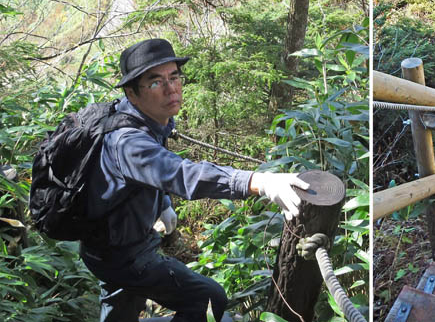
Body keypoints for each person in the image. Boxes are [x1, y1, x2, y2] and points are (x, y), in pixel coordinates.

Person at [79, 38, 310, 322]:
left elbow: (146, 173)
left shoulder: (144, 117)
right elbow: (181, 173)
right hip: (123, 254)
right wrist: (258, 181)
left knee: (122, 307)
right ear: (131, 92)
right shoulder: (128, 140)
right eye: (155, 82)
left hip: (105, 244)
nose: (171, 88)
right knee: (208, 299)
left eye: (174, 76)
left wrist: (161, 202)